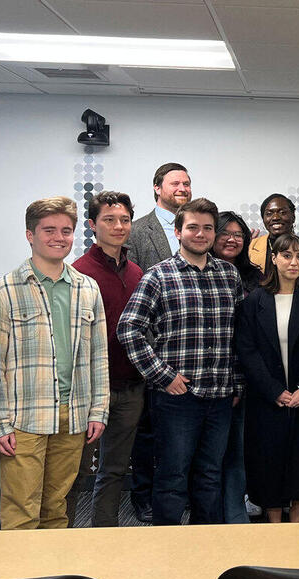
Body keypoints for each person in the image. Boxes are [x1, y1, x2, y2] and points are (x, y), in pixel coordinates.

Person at [118, 198, 244, 526]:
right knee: (172, 479)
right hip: (177, 399)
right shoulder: (158, 276)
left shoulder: (229, 276)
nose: (200, 234)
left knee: (210, 478)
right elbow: (128, 328)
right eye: (192, 227)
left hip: (220, 397)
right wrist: (162, 376)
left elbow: (242, 336)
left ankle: (208, 552)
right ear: (177, 231)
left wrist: (238, 383)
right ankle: (168, 555)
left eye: (207, 228)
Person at [0, 197, 109, 529]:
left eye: (66, 230)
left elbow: (99, 357)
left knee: (57, 508)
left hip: (74, 416)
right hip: (23, 418)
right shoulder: (4, 290)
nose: (59, 237)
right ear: (30, 234)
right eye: (49, 230)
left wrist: (98, 410)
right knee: (21, 511)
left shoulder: (88, 289)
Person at [238, 234, 299, 522]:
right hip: (269, 400)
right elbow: (247, 350)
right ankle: (274, 524)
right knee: (269, 462)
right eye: (287, 256)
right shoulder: (255, 301)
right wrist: (274, 390)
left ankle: (296, 525)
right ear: (274, 258)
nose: (293, 262)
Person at [69, 191, 144, 527]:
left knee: (114, 469)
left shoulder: (138, 273)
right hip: (88, 391)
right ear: (92, 225)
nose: (118, 226)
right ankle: (64, 534)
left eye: (124, 220)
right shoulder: (79, 273)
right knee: (76, 471)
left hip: (130, 387)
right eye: (109, 220)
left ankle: (105, 533)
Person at [124, 161, 192, 523]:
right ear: (156, 188)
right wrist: (153, 357)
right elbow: (136, 295)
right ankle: (143, 497)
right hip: (151, 353)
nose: (182, 188)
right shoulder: (136, 232)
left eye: (187, 183)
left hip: (190, 353)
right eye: (175, 183)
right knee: (147, 434)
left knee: (181, 439)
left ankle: (179, 497)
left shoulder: (198, 232)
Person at [212, 210, 263, 523]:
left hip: (247, 377)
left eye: (238, 235)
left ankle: (234, 516)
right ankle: (208, 517)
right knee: (208, 456)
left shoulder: (256, 278)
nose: (231, 239)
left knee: (239, 454)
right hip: (208, 378)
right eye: (224, 233)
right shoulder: (201, 272)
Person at [248, 193, 296, 274]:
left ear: (293, 216)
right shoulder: (250, 247)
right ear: (263, 219)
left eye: (282, 212)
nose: (275, 218)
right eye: (269, 214)